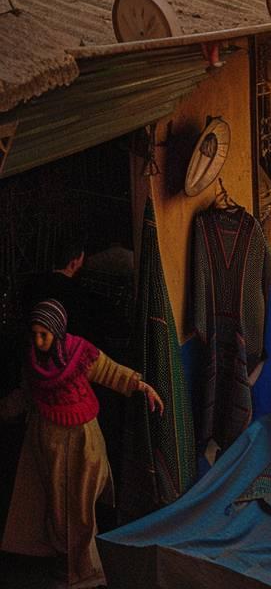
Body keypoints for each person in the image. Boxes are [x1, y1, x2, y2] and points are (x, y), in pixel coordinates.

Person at [1, 301, 164, 589]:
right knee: (57, 508)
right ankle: (67, 569)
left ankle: (85, 572)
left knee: (81, 509)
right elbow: (25, 395)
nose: (39, 341)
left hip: (83, 444)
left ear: (57, 331)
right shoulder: (33, 363)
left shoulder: (81, 354)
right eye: (35, 334)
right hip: (47, 447)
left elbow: (111, 372)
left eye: (44, 334)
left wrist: (143, 387)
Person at [22, 240, 99, 349]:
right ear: (73, 263)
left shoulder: (32, 282)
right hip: (62, 351)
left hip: (30, 346)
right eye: (80, 264)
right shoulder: (77, 292)